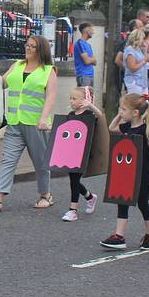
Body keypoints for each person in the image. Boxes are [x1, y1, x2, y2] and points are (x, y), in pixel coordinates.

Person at [0, 34, 58, 211]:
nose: (27, 48)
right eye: (27, 45)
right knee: (8, 159)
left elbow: (51, 97)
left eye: (32, 46)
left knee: (41, 161)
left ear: (41, 50)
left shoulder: (48, 71)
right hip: (15, 122)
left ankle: (46, 195)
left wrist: (44, 118)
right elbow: (2, 83)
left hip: (36, 124)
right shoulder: (17, 65)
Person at [100, 93, 149, 250]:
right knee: (122, 201)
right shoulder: (126, 127)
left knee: (142, 203)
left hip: (143, 173)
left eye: (123, 109)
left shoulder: (146, 129)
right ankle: (119, 236)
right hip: (127, 173)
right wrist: (120, 116)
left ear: (135, 112)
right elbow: (111, 128)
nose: (121, 111)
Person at [60, 87, 101, 222]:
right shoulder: (71, 114)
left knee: (74, 181)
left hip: (82, 153)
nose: (71, 101)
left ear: (84, 100)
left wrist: (91, 106)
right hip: (70, 152)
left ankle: (73, 211)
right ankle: (90, 197)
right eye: (70, 98)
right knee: (74, 180)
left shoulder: (89, 115)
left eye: (74, 99)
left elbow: (101, 117)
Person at [122, 28, 149, 95]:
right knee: (136, 103)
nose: (144, 40)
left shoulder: (139, 50)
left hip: (143, 82)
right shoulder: (130, 49)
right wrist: (144, 61)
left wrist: (145, 49)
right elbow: (132, 67)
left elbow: (146, 59)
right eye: (143, 38)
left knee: (145, 103)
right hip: (135, 81)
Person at [73, 22, 97, 87]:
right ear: (86, 31)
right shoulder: (79, 43)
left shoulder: (88, 45)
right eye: (91, 30)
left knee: (89, 97)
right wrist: (91, 60)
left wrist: (91, 60)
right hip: (83, 76)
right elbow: (87, 61)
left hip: (90, 76)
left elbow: (95, 62)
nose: (93, 32)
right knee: (83, 96)